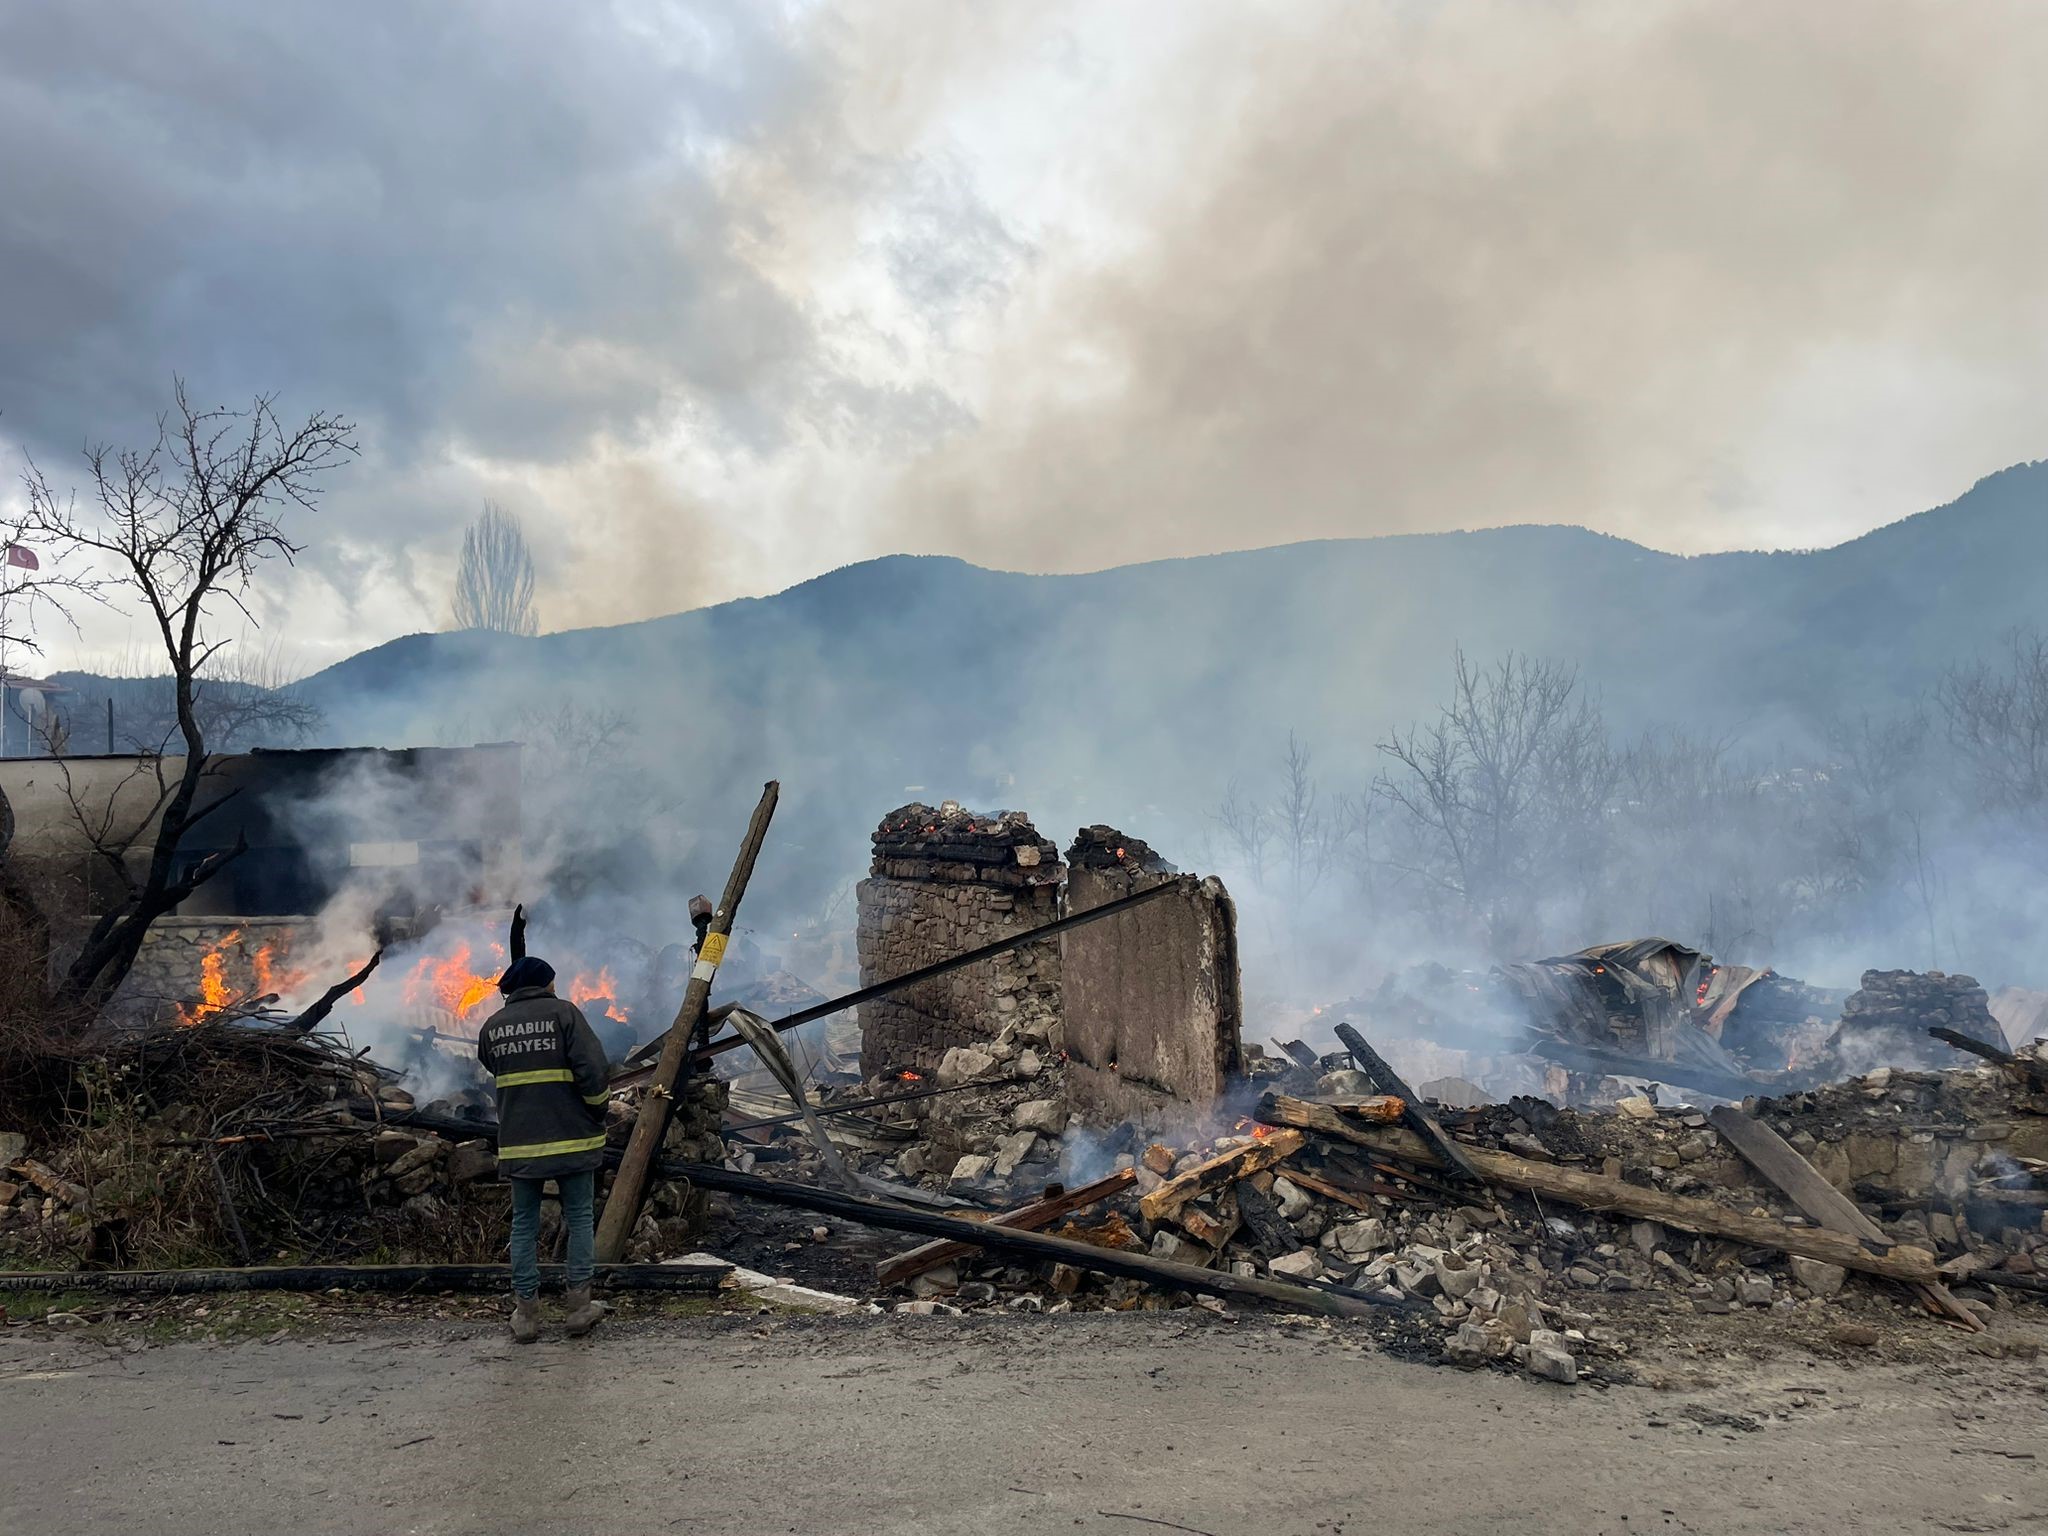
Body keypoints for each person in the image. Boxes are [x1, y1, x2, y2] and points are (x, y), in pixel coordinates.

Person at [475, 955, 612, 1342]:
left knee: (523, 1224)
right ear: (546, 983)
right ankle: (579, 1308)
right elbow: (593, 1069)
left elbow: (491, 1064)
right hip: (572, 1138)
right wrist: (598, 1107)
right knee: (581, 1217)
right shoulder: (565, 1014)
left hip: (520, 1142)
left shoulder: (493, 1026)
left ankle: (526, 1314)